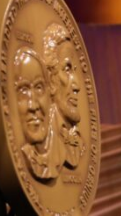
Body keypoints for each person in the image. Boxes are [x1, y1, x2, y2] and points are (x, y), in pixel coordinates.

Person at [13, 46, 63, 180]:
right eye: (23, 91)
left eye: (39, 87)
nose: (33, 105)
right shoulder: (19, 155)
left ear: (49, 93)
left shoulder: (61, 153)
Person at [42, 23, 84, 169]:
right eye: (67, 69)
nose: (77, 86)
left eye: (75, 70)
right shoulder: (42, 142)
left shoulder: (79, 141)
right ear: (51, 79)